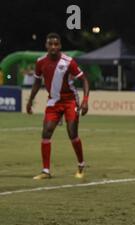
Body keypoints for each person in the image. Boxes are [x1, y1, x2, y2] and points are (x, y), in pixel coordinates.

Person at [26, 33, 90, 180]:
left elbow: (85, 79)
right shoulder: (40, 62)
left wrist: (85, 100)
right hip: (53, 102)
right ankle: (46, 171)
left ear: (60, 46)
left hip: (70, 101)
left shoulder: (69, 62)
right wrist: (30, 101)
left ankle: (81, 164)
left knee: (72, 133)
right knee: (46, 132)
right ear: (46, 46)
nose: (53, 47)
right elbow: (37, 83)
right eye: (50, 44)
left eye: (56, 44)